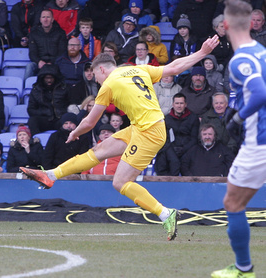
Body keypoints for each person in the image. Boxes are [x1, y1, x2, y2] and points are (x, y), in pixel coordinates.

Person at [20, 35, 220, 241]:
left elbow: (89, 122)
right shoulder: (137, 69)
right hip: (143, 127)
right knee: (98, 151)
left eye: (94, 74)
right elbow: (175, 67)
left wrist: (74, 132)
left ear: (102, 70)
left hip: (149, 132)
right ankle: (50, 176)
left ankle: (165, 213)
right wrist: (202, 52)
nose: (95, 79)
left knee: (120, 182)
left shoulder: (109, 84)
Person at [211, 2, 266, 276]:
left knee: (233, 203)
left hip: (260, 143)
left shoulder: (240, 59)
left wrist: (238, 118)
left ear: (227, 26)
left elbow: (259, 93)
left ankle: (244, 269)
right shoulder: (263, 53)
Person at [154, 93, 199, 176]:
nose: (179, 106)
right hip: (171, 149)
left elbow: (194, 138)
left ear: (185, 104)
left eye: (181, 103)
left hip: (188, 149)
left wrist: (183, 149)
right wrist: (172, 150)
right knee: (165, 157)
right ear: (173, 104)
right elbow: (165, 139)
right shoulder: (167, 119)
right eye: (177, 103)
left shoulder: (193, 118)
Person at [27, 64, 74, 135]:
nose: (49, 80)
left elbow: (71, 104)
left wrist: (63, 114)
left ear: (56, 78)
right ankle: (36, 142)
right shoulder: (36, 90)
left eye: (51, 78)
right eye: (47, 78)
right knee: (32, 121)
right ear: (42, 78)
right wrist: (44, 112)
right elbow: (31, 109)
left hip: (60, 118)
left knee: (69, 122)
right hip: (44, 119)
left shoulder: (64, 88)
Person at [24, 9, 67, 81]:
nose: (46, 19)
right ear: (40, 19)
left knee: (65, 66)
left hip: (55, 63)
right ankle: (26, 90)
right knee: (30, 66)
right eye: (43, 17)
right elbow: (32, 53)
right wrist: (39, 61)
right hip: (39, 63)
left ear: (52, 19)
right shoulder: (34, 33)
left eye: (48, 17)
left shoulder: (60, 33)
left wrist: (52, 63)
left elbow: (62, 52)